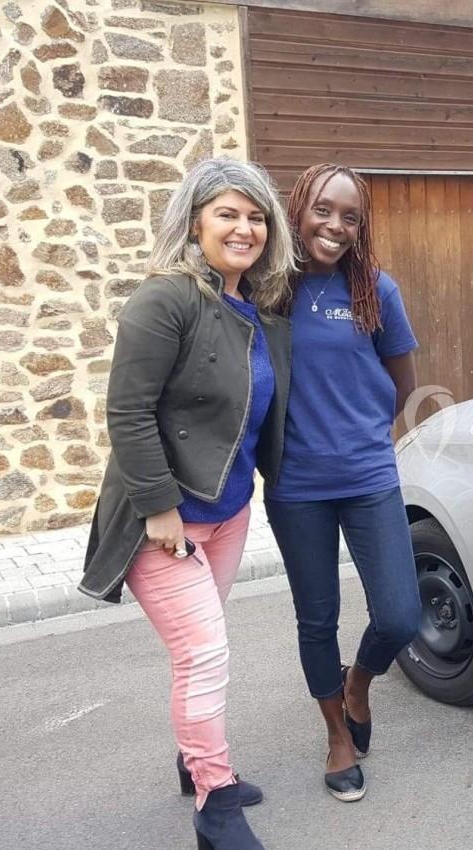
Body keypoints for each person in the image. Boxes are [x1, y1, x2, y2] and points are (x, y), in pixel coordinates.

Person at [79, 157, 294, 850]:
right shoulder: (165, 299)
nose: (245, 227)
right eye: (228, 213)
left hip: (229, 512)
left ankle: (194, 758)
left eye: (256, 215)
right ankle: (215, 803)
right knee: (204, 655)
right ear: (194, 221)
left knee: (197, 653)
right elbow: (128, 411)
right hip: (165, 523)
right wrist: (158, 507)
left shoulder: (249, 308)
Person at [265, 164, 421, 803]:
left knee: (400, 615)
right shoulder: (267, 291)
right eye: (323, 210)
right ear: (299, 209)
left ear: (362, 227)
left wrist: (361, 438)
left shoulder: (375, 291)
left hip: (367, 476)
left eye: (350, 216)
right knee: (317, 618)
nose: (335, 225)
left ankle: (358, 682)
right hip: (295, 486)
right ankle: (336, 734)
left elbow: (404, 384)